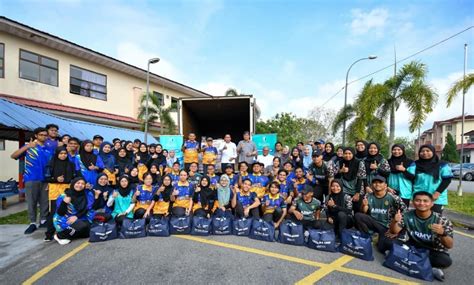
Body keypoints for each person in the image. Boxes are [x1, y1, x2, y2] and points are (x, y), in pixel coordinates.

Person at [389, 191, 454, 281]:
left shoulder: (442, 220)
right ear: (413, 202)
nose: (421, 203)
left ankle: (405, 260)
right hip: (413, 247)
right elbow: (394, 231)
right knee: (387, 242)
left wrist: (443, 233)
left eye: (425, 201)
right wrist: (395, 221)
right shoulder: (407, 215)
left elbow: (449, 245)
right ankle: (425, 266)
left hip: (432, 251)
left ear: (432, 204)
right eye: (418, 200)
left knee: (445, 261)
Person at [11, 127, 52, 234]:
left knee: (44, 201)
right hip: (31, 179)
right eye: (41, 134)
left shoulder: (48, 149)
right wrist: (27, 146)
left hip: (46, 179)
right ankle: (32, 223)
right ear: (36, 136)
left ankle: (43, 220)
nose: (44, 136)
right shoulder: (29, 147)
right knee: (32, 202)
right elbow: (13, 156)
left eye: (45, 135)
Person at [355, 175, 407, 253]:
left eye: (380, 182)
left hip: (387, 227)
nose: (377, 184)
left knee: (382, 248)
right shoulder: (368, 196)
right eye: (375, 182)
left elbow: (406, 212)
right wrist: (364, 205)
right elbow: (363, 212)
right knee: (358, 216)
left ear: (385, 185)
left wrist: (397, 230)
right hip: (374, 223)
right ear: (372, 185)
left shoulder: (394, 198)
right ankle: (368, 237)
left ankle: (381, 238)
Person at [407, 145, 453, 214]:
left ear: (433, 152)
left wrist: (437, 193)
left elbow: (447, 180)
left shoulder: (442, 165)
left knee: (435, 219)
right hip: (419, 197)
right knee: (420, 217)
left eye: (428, 151)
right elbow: (410, 178)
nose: (425, 153)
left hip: (436, 198)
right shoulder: (415, 164)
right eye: (422, 151)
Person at [44, 147, 76, 241]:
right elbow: (46, 177)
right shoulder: (51, 164)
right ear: (57, 154)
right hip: (55, 188)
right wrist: (55, 179)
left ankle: (62, 231)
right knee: (53, 211)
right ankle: (49, 234)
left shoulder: (70, 164)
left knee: (66, 210)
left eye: (65, 153)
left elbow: (74, 176)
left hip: (67, 188)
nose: (63, 155)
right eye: (61, 153)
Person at [53, 177, 96, 245]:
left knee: (88, 232)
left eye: (82, 183)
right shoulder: (64, 196)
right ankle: (60, 235)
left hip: (79, 217)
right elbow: (60, 213)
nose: (80, 185)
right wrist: (64, 202)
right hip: (65, 219)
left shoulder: (86, 195)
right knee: (82, 226)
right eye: (78, 183)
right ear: (73, 184)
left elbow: (86, 209)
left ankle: (72, 233)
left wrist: (76, 216)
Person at [329, 147, 366, 212]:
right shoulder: (339, 162)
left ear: (353, 154)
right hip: (344, 189)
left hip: (356, 188)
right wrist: (341, 170)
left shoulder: (359, 163)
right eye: (345, 153)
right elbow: (334, 176)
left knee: (357, 208)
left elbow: (360, 178)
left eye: (349, 153)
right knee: (343, 207)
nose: (347, 155)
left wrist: (357, 193)